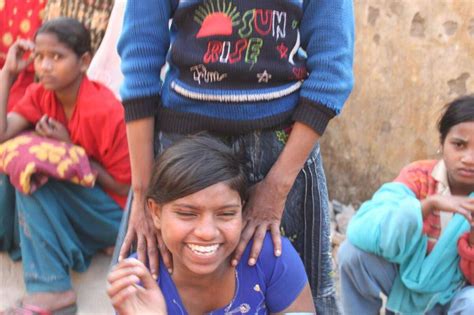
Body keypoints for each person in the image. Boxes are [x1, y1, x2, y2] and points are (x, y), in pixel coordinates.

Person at [117, 1, 354, 312]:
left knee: (294, 282)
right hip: (182, 155)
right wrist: (143, 191)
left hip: (282, 152)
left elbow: (331, 72)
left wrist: (277, 187)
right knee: (149, 280)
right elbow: (139, 61)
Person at [0, 18, 131, 313]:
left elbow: (126, 186)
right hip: (81, 206)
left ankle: (52, 289)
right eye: (40, 57)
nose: (45, 66)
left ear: (84, 61)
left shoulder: (104, 110)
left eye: (56, 57)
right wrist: (7, 74)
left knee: (34, 171)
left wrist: (71, 151)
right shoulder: (42, 95)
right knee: (17, 160)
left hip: (114, 216)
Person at [107, 135, 316, 314]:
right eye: (187, 214)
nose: (207, 233)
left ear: (242, 211)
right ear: (156, 212)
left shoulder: (268, 257)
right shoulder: (137, 284)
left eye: (226, 214)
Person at [338, 96, 474, 315]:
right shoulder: (419, 177)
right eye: (459, 145)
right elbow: (361, 229)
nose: (469, 158)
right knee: (352, 254)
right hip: (405, 285)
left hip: (455, 298)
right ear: (442, 144)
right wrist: (425, 207)